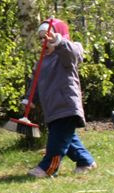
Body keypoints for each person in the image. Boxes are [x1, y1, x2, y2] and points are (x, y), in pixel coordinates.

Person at [26, 18, 97, 178]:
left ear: (60, 36)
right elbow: (35, 82)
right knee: (67, 139)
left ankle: (48, 168)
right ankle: (86, 161)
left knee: (56, 143)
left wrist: (59, 42)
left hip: (67, 106)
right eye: (42, 39)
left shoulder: (66, 54)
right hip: (51, 109)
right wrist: (29, 98)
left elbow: (73, 53)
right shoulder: (42, 61)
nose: (45, 42)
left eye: (49, 38)